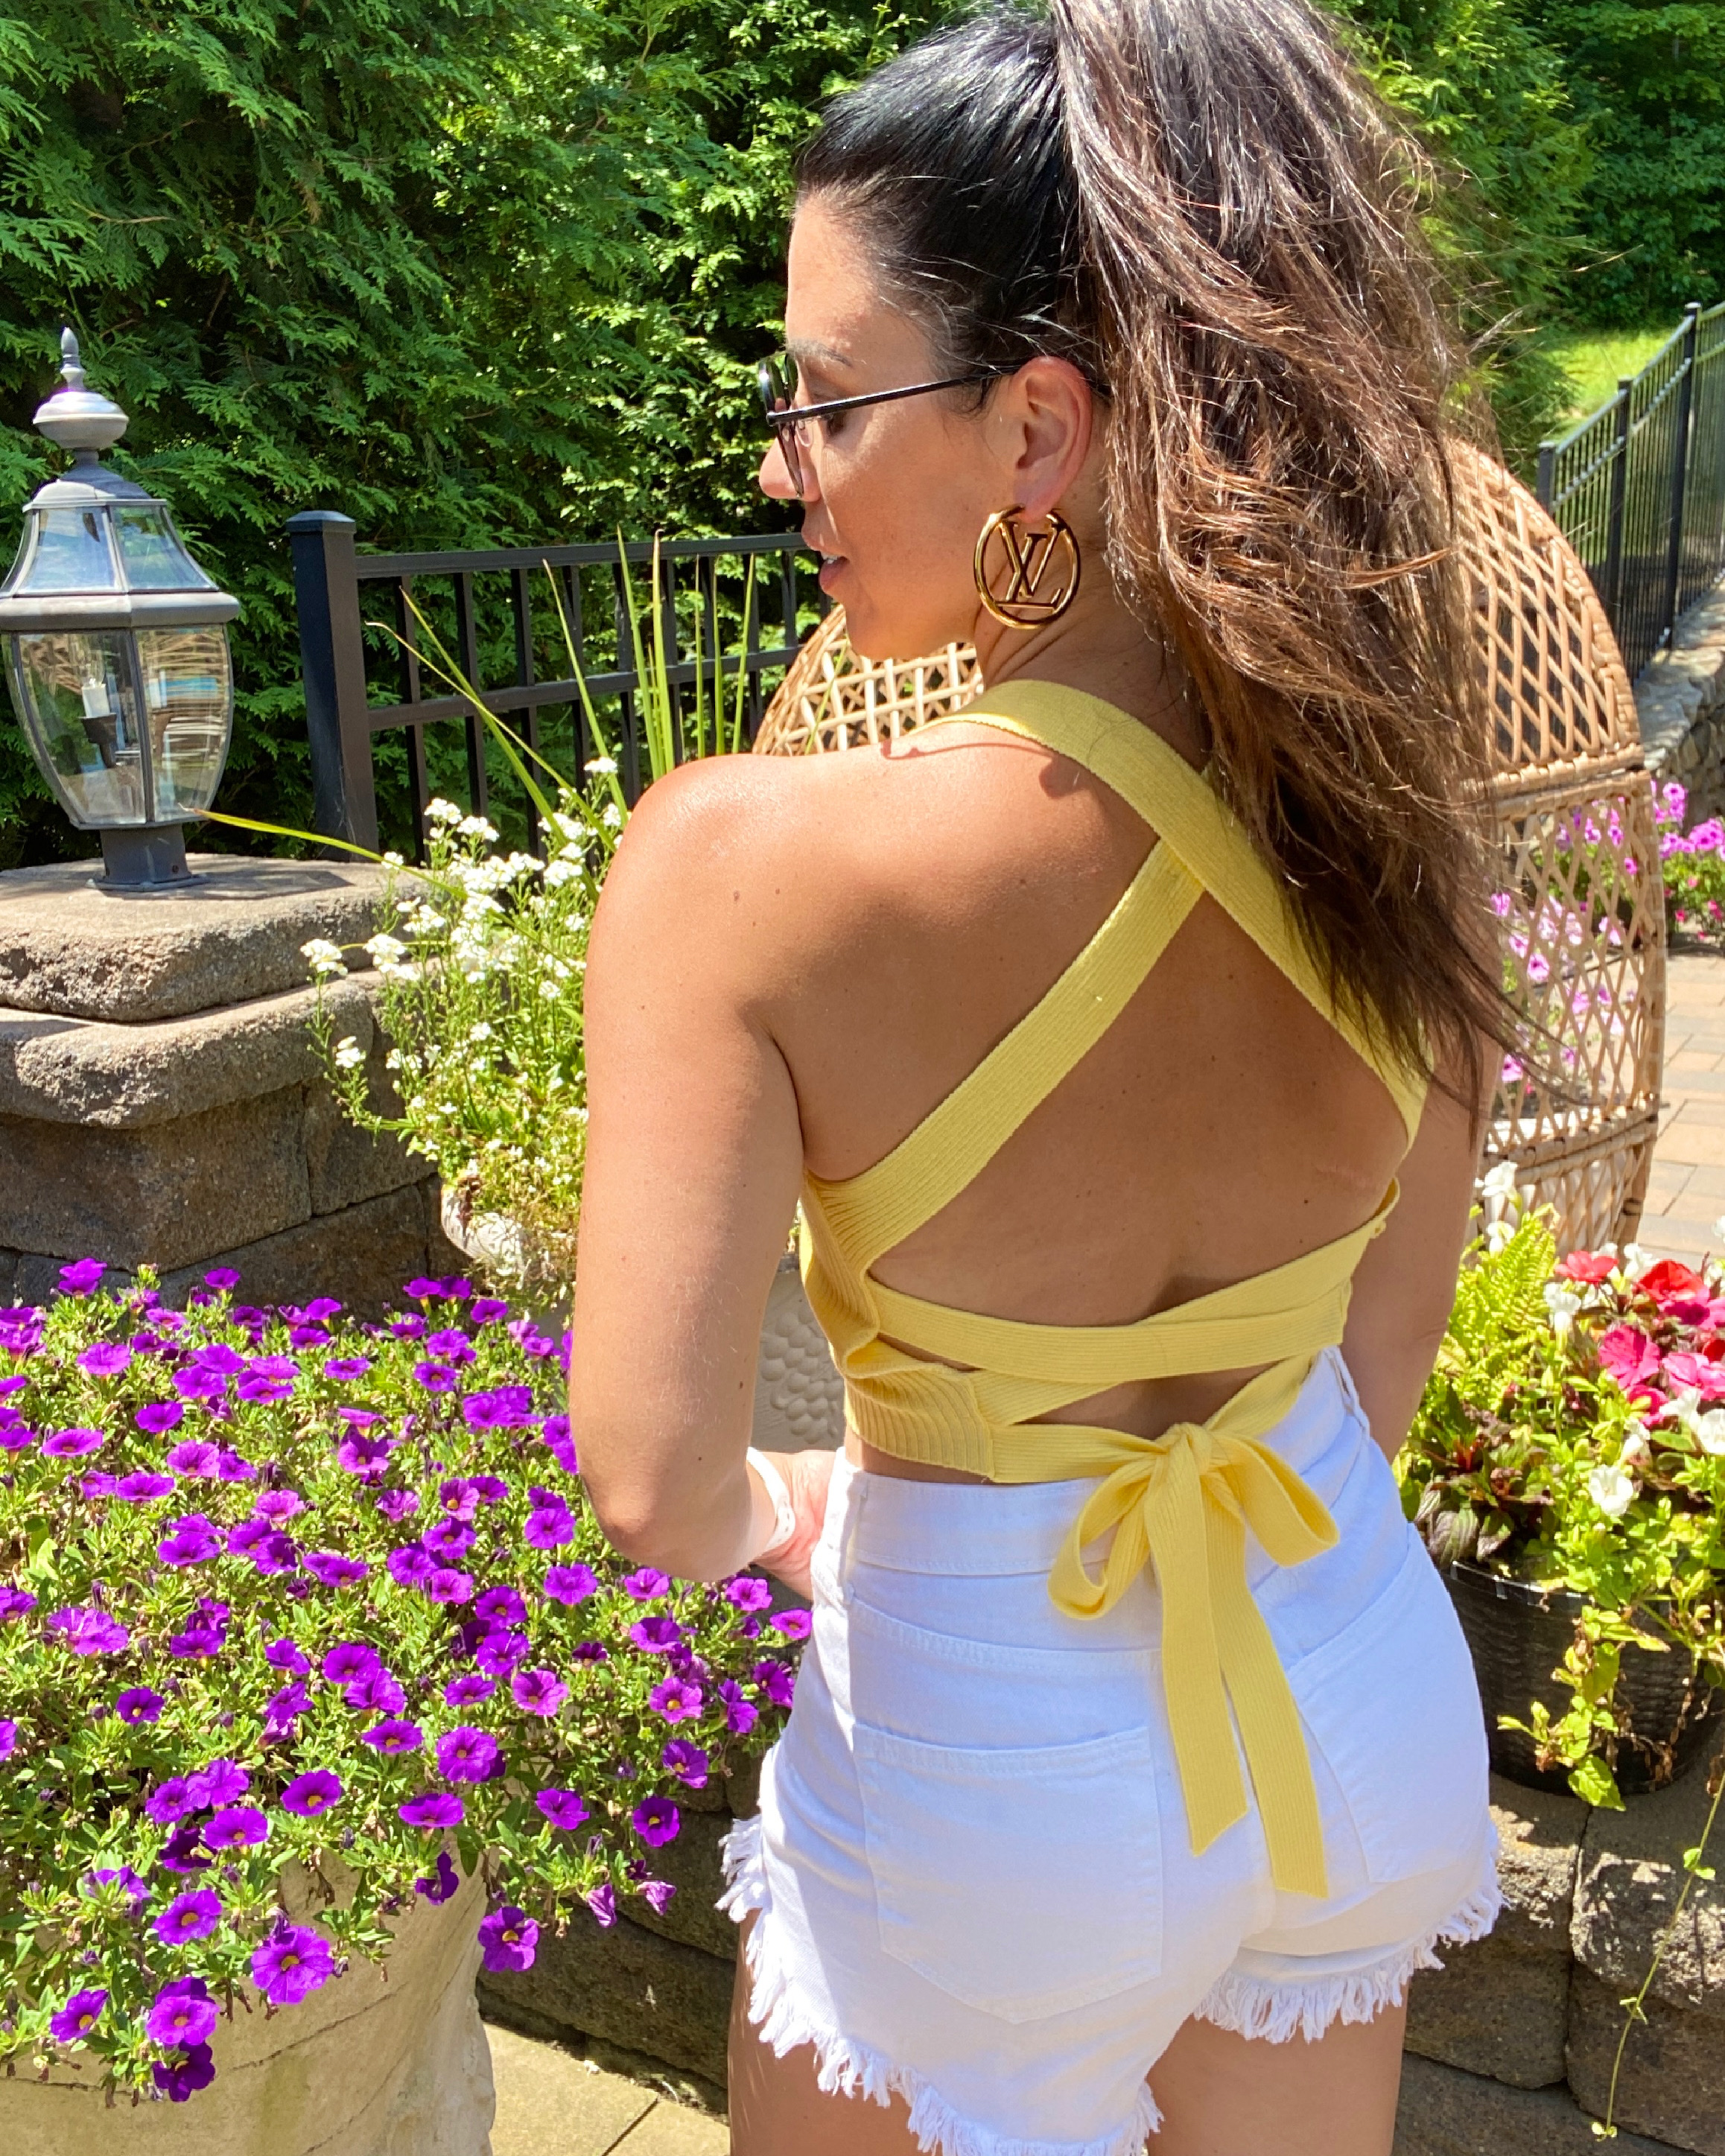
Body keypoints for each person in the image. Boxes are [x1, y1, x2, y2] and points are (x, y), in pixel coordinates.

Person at [568, 2, 1509, 2149]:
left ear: (1035, 428)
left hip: (991, 1760)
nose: (781, 464)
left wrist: (781, 1509)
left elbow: (652, 1483)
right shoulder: (1386, 810)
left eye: (827, 401)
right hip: (1343, 1669)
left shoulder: (748, 868)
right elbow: (1378, 1369)